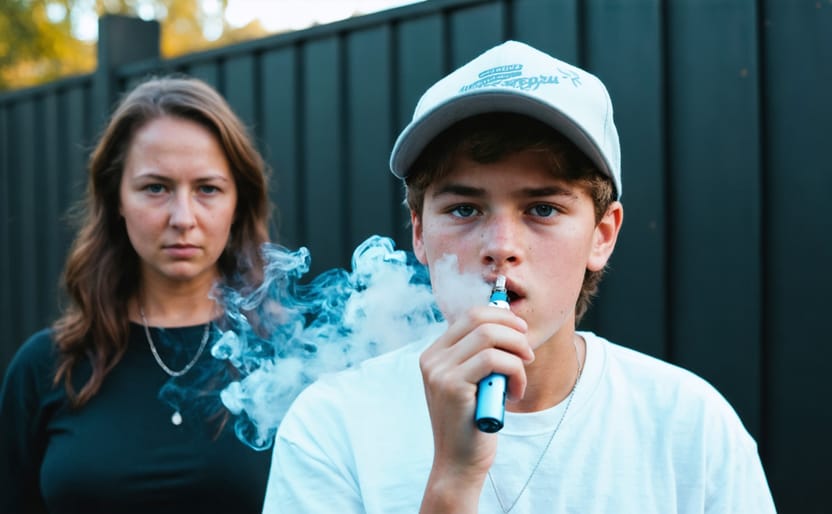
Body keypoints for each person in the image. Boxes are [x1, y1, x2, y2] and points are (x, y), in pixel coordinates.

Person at [263, 40, 776, 513]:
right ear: (419, 234)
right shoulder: (332, 426)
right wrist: (453, 481)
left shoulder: (690, 425)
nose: (501, 248)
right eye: (465, 209)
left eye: (543, 209)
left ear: (601, 235)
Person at [0, 76, 274, 513]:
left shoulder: (289, 360)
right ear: (117, 200)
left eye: (207, 188)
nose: (183, 217)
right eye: (155, 188)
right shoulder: (46, 368)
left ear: (238, 202)